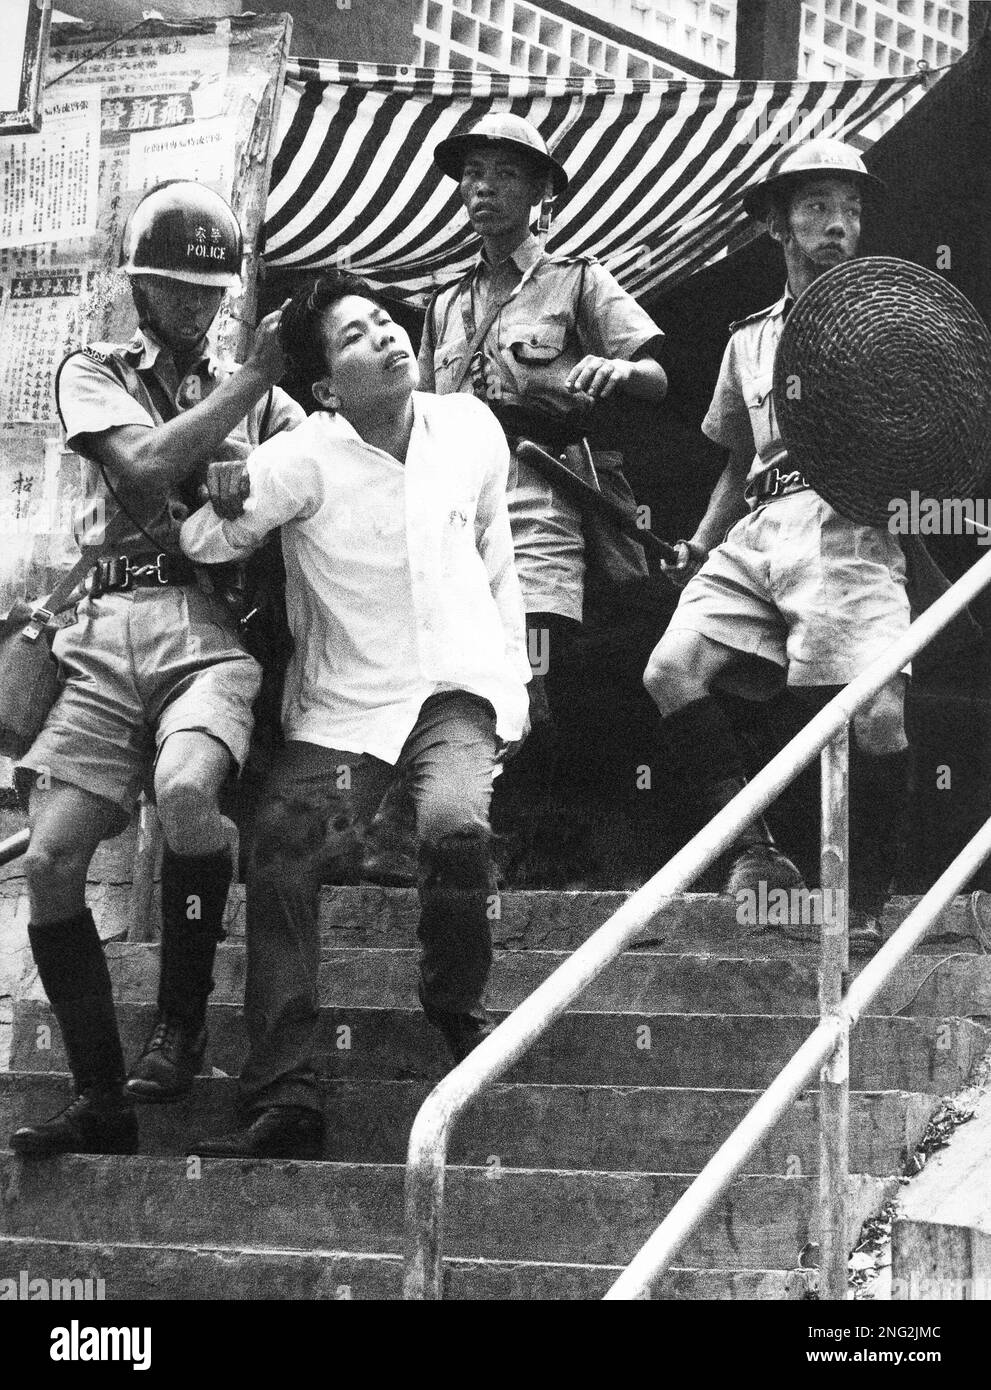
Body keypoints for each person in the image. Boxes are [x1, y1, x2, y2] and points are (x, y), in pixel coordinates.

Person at [179, 272, 530, 1160]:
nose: (385, 337)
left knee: (454, 830)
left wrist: (513, 677)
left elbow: (497, 552)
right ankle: (285, 1090)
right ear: (327, 387)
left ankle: (453, 1003)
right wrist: (223, 501)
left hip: (456, 685)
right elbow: (205, 540)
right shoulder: (304, 458)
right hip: (346, 710)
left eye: (385, 322)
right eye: (354, 337)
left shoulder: (471, 429)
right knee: (282, 847)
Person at [9, 181, 304, 1158]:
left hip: (206, 622)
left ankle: (180, 1025)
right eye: (175, 288)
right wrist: (247, 391)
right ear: (139, 287)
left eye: (210, 291)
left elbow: (315, 477)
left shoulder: (252, 390)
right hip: (100, 623)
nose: (195, 306)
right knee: (50, 860)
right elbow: (138, 467)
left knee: (186, 791)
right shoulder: (92, 368)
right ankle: (101, 1096)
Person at [642, 138, 910, 951]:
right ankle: (759, 854)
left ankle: (863, 903)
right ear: (775, 224)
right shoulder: (748, 339)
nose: (838, 225)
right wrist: (699, 539)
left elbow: (937, 435)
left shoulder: (890, 324)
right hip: (756, 531)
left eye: (850, 209)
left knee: (874, 715)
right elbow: (736, 459)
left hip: (847, 526)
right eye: (818, 207)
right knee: (668, 670)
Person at [420, 113, 667, 723]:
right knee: (449, 662)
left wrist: (622, 372)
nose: (483, 187)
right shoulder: (445, 303)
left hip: (541, 496)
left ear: (541, 193)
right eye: (473, 174)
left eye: (504, 175)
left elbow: (658, 378)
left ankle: (532, 754)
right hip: (456, 503)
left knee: (532, 659)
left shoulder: (578, 279)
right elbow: (419, 414)